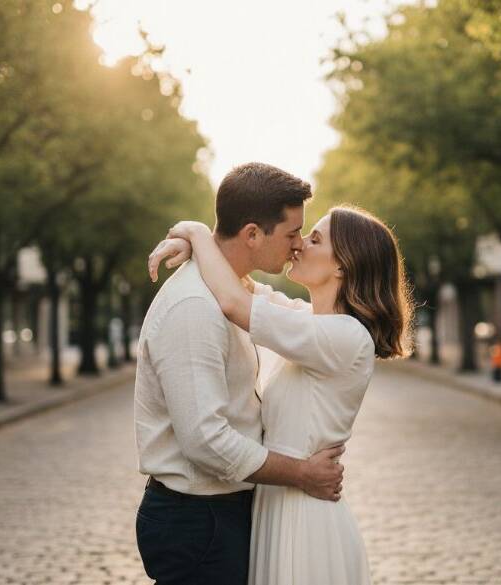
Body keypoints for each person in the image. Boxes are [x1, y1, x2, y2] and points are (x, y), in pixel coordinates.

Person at [148, 202, 414, 585]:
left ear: (342, 265)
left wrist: (196, 232)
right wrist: (198, 241)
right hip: (277, 504)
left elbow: (233, 302)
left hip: (304, 516)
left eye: (314, 238)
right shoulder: (307, 321)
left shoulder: (345, 336)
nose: (299, 245)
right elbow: (239, 282)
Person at [134, 162, 346, 585]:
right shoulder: (194, 307)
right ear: (252, 234)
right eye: (291, 234)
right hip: (197, 520)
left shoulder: (238, 290)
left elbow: (299, 319)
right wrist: (302, 473)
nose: (298, 244)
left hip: (219, 514)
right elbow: (205, 441)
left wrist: (195, 235)